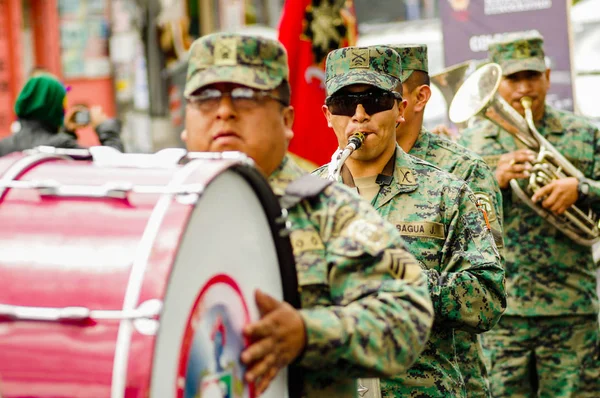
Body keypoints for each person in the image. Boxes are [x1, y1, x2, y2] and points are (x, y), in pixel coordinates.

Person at [181, 32, 435, 397]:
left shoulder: (328, 211)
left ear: (286, 120)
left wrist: (307, 333)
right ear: (185, 121)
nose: (224, 111)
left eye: (246, 96)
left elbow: (408, 320)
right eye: (205, 98)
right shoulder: (153, 215)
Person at [313, 45, 505, 397]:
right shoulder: (305, 198)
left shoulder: (447, 193)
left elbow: (488, 300)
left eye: (374, 101)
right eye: (344, 103)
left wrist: (403, 278)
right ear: (327, 114)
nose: (359, 115)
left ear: (400, 109)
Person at [458, 35, 600, 397]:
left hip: (571, 307)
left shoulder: (584, 134)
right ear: (495, 83)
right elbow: (451, 221)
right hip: (502, 313)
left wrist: (580, 188)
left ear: (548, 77)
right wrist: (494, 182)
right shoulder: (469, 145)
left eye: (532, 76)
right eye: (512, 78)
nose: (524, 87)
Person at [391, 43, 504, 398]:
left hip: (450, 379)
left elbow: (486, 287)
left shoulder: (462, 170)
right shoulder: (340, 173)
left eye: (387, 93)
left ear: (420, 97)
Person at [0, 75, 123, 156]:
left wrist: (67, 131)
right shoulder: (62, 145)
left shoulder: (4, 146)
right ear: (54, 109)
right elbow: (113, 163)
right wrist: (105, 128)